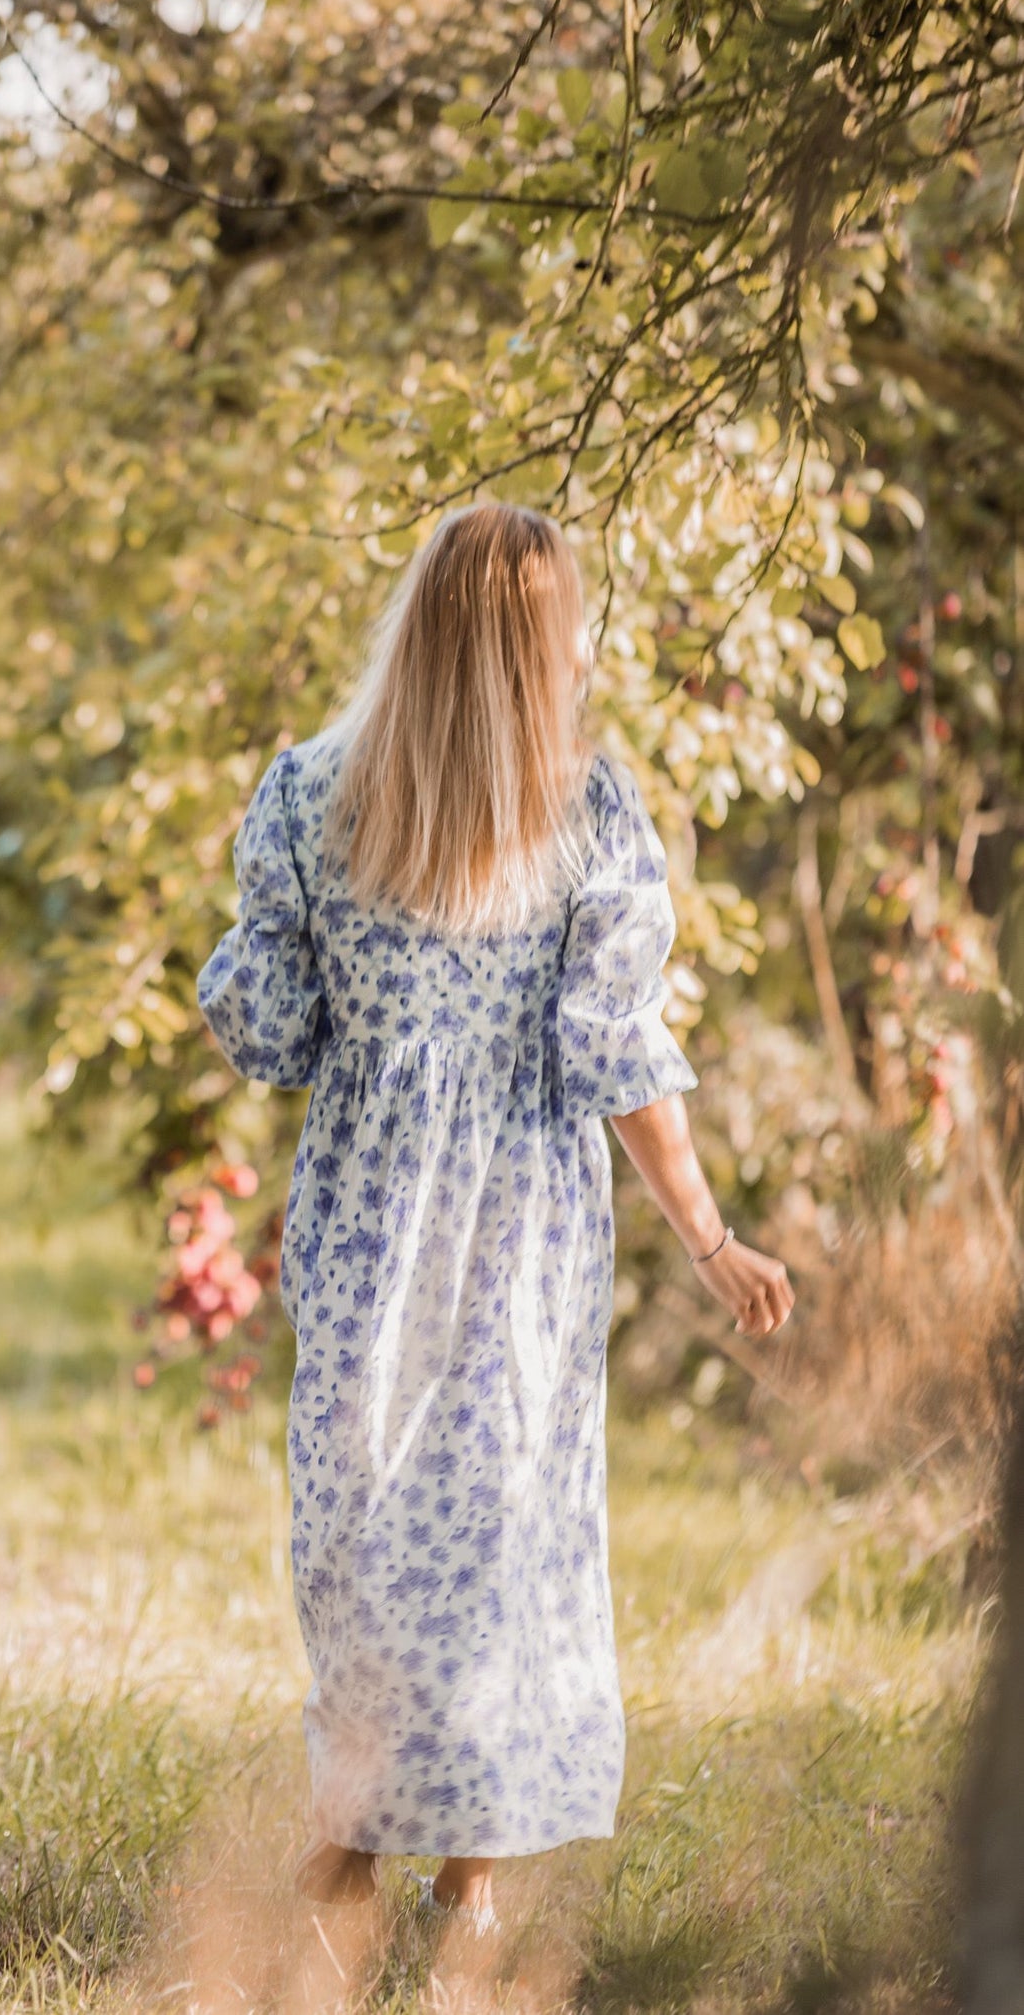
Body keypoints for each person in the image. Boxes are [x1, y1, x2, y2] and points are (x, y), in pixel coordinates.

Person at [195, 503, 795, 1933]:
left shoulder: (306, 797)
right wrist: (706, 1234)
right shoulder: (586, 811)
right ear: (541, 645)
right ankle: (461, 1889)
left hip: (364, 1229)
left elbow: (268, 1028)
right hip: (523, 1232)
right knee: (503, 1529)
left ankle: (353, 1848)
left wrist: (282, 959)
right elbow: (614, 1055)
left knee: (362, 1533)